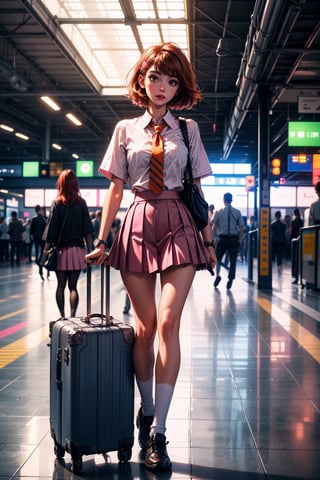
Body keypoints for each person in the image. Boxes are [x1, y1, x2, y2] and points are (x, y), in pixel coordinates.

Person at [86, 42, 216, 471]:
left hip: (179, 220)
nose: (163, 87)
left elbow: (199, 190)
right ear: (142, 79)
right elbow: (116, 190)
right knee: (143, 330)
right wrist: (103, 239)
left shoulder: (189, 129)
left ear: (180, 87)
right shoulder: (125, 129)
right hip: (139, 221)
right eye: (156, 77)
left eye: (172, 80)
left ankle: (159, 430)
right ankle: (146, 410)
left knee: (167, 322)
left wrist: (209, 241)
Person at [43, 169, 93, 319]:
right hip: (77, 251)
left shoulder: (57, 204)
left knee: (60, 286)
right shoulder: (82, 203)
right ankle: (73, 315)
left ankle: (62, 316)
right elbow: (88, 230)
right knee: (73, 287)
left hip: (60, 252)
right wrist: (90, 251)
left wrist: (46, 249)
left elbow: (52, 228)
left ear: (61, 184)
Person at [211, 192, 244, 290]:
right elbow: (241, 228)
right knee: (233, 261)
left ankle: (218, 275)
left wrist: (213, 239)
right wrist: (239, 240)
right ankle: (230, 279)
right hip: (233, 239)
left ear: (223, 200)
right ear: (231, 200)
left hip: (222, 239)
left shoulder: (218, 211)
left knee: (217, 259)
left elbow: (214, 226)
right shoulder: (237, 212)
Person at [30, 205, 47, 280]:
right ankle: (41, 262)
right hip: (43, 239)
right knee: (43, 252)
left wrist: (32, 236)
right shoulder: (44, 219)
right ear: (39, 210)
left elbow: (31, 229)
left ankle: (37, 261)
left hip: (36, 238)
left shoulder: (34, 219)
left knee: (37, 251)